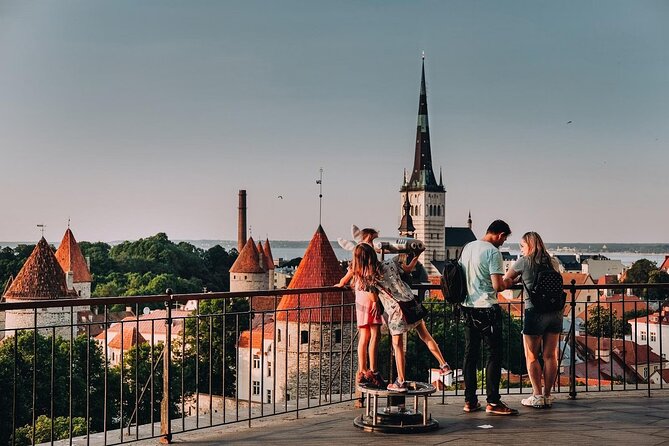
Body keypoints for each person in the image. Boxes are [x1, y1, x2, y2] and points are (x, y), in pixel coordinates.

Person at [347, 243, 451, 392]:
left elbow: (372, 297)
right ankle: (443, 364)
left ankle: (401, 381)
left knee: (397, 345)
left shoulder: (369, 278)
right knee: (425, 335)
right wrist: (416, 256)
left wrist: (375, 300)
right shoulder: (391, 263)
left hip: (397, 310)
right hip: (411, 303)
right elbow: (408, 269)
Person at [459, 219, 518, 415]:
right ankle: (493, 401)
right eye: (504, 239)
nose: (503, 243)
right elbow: (498, 286)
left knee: (470, 354)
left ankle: (470, 401)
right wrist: (511, 280)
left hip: (467, 307)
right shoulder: (492, 252)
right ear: (500, 235)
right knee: (494, 353)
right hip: (486, 308)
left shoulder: (468, 247)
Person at [503, 231, 562, 408]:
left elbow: (505, 280)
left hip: (535, 312)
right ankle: (548, 394)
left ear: (528, 245)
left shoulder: (524, 261)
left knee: (532, 356)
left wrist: (517, 280)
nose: (521, 250)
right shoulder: (553, 262)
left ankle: (537, 395)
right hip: (555, 312)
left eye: (522, 246)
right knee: (551, 355)